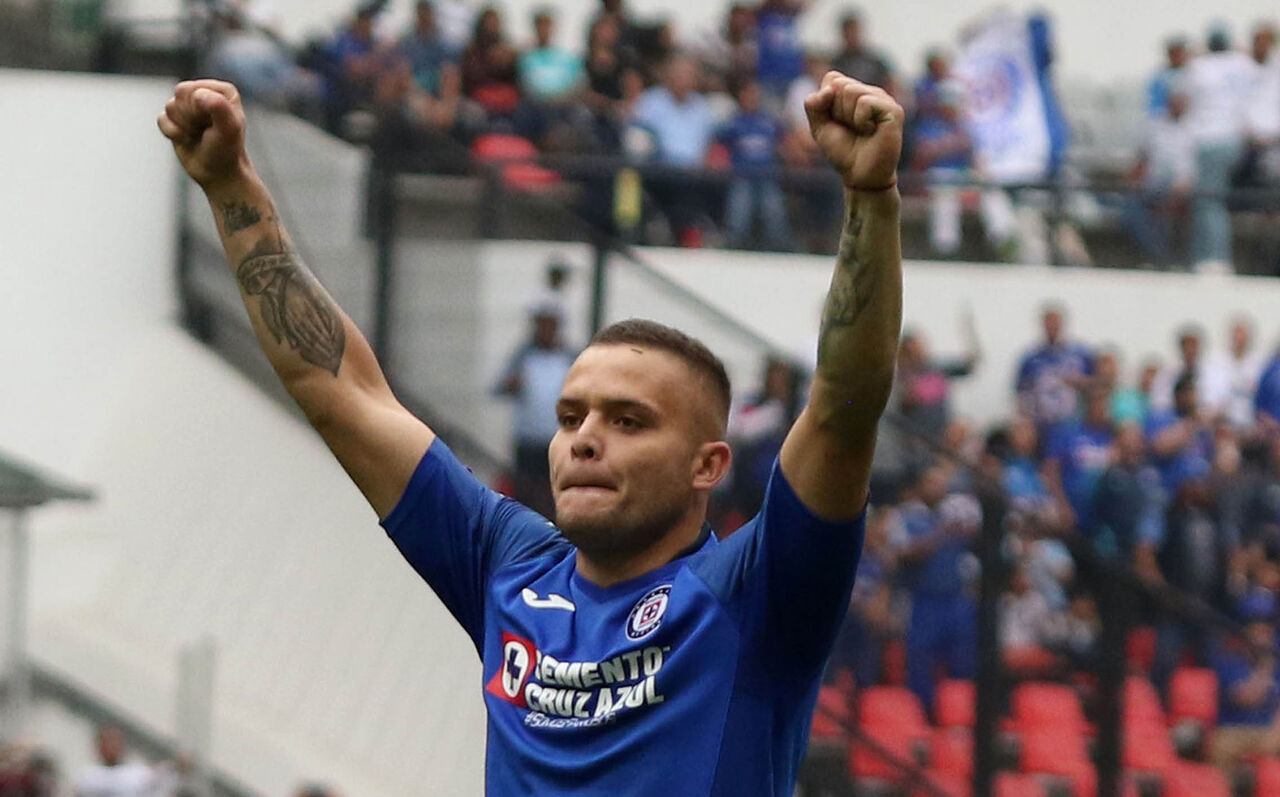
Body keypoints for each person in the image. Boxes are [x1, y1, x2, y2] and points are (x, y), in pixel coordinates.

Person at [157, 70, 904, 795]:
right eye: (571, 416)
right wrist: (231, 185)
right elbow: (342, 391)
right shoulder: (508, 566)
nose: (584, 439)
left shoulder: (755, 595)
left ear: (707, 466)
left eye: (628, 421)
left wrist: (871, 199)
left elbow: (843, 408)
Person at [1183, 25, 1260, 272]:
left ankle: (1215, 258)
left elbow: (1185, 98)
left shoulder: (1200, 66)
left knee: (1210, 201)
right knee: (1209, 200)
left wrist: (1196, 57)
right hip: (1234, 139)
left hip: (1210, 139)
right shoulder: (1243, 64)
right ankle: (1204, 257)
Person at [494, 306, 577, 519]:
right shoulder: (523, 356)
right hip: (527, 440)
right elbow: (498, 388)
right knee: (526, 493)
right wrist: (512, 385)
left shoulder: (568, 357)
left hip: (555, 439)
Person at [716, 79, 791, 251]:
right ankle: (734, 246)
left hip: (767, 176)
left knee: (774, 212)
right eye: (749, 94)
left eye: (756, 94)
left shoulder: (768, 122)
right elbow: (717, 144)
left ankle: (779, 248)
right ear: (741, 96)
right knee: (739, 213)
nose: (753, 97)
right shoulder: (734, 122)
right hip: (742, 176)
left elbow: (784, 142)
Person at [1014, 304, 1094, 435]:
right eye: (1048, 322)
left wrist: (1079, 383)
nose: (1052, 326)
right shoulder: (1031, 358)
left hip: (1074, 423)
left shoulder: (1080, 354)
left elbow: (1096, 386)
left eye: (1055, 322)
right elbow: (1020, 393)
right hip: (1041, 424)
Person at [74, 726, 159, 797]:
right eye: (106, 742)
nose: (111, 747)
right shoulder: (87, 777)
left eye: (114, 742)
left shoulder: (140, 775)